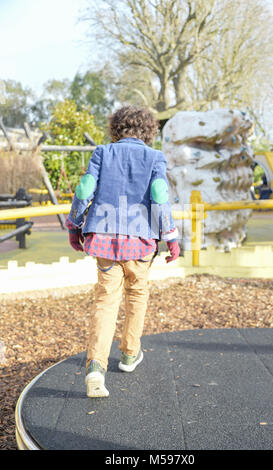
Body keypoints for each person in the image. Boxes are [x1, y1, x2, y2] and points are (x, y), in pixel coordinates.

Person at [66, 105, 180, 398]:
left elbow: (85, 188)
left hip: (103, 238)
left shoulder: (102, 153)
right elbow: (159, 196)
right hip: (140, 241)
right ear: (148, 131)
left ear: (116, 129)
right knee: (137, 294)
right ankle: (130, 354)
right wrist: (170, 236)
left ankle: (95, 367)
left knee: (105, 300)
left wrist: (74, 225)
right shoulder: (155, 157)